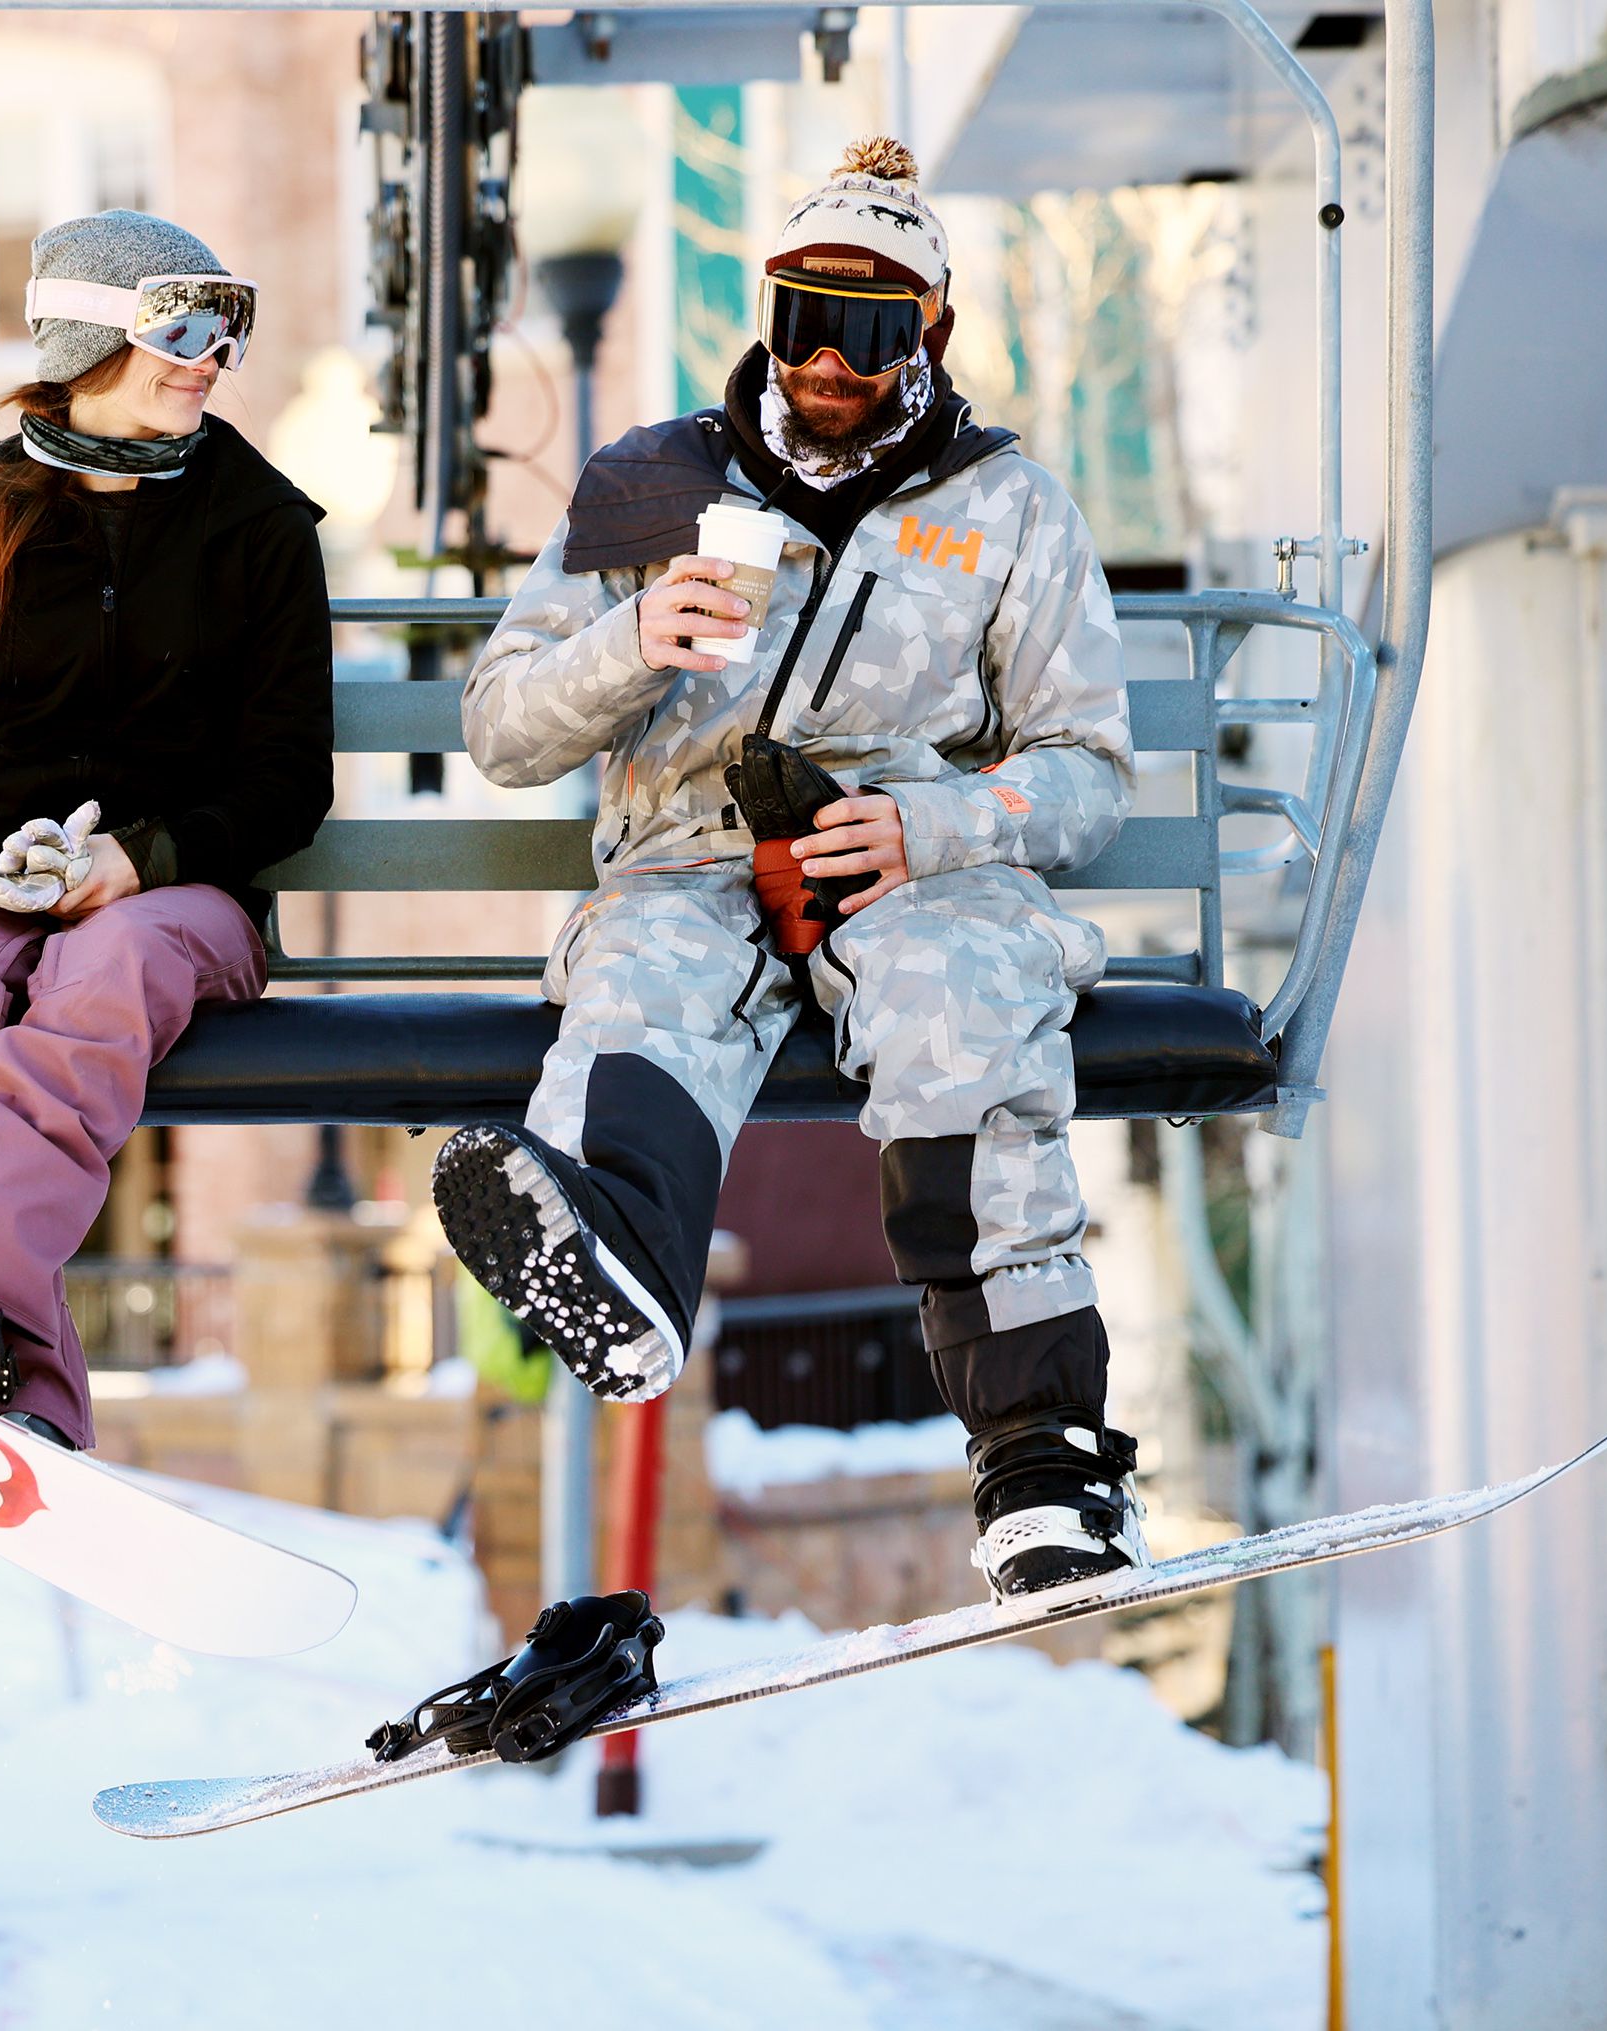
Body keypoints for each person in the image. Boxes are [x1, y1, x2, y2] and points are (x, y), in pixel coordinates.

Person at [431, 138, 1145, 1604]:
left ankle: (1040, 1454)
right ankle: (615, 1254)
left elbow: (1092, 772)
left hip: (901, 860)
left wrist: (938, 824)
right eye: (802, 316)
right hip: (688, 855)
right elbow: (501, 729)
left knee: (960, 1001)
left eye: (871, 326)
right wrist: (628, 643)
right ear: (762, 313)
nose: (829, 357)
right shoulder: (651, 478)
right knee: (639, 982)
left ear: (929, 332)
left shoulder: (1006, 505)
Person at [0, 210, 333, 1453]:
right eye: (185, 323)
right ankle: (7, 1378)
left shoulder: (256, 527)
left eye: (229, 328)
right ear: (92, 333)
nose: (212, 356)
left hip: (179, 892)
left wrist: (136, 863)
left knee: (106, 968)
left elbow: (285, 785)